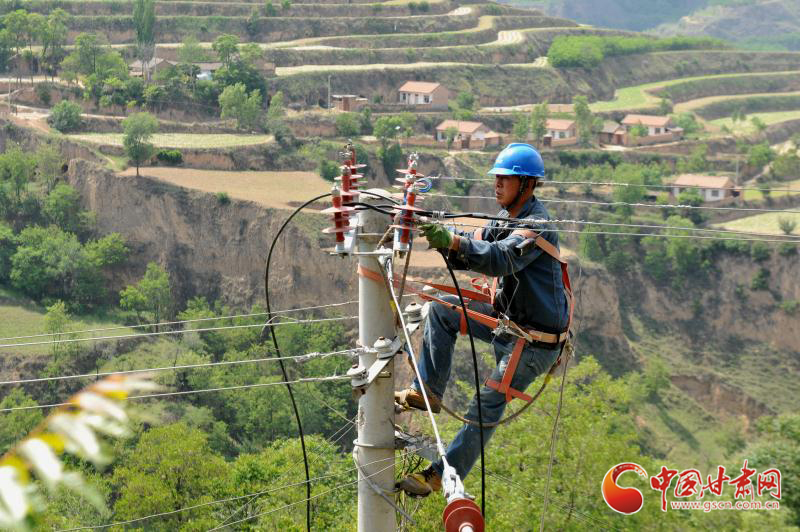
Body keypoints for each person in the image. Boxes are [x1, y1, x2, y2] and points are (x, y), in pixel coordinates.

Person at [395, 143, 571, 497]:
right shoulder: (504, 220)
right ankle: (427, 391)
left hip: (534, 342)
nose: (497, 185)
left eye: (505, 179)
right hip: (510, 322)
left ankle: (440, 476)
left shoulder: (536, 225)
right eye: (497, 178)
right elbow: (475, 242)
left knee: (486, 404)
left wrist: (455, 243)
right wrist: (441, 233)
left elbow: (500, 258)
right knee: (442, 309)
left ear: (526, 184)